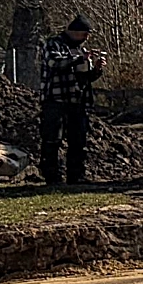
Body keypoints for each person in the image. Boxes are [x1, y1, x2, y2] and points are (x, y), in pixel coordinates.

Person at [39, 14, 106, 185]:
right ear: (74, 32)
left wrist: (96, 69)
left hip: (78, 101)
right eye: (84, 34)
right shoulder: (53, 44)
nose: (86, 38)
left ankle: (76, 176)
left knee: (78, 140)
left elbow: (84, 78)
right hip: (55, 100)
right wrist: (79, 59)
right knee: (53, 139)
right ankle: (52, 176)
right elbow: (56, 64)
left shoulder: (81, 50)